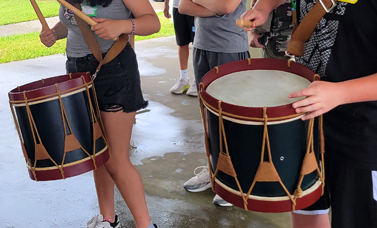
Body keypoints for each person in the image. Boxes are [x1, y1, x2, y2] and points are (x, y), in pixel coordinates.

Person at [241, 0, 377, 228]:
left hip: (363, 131)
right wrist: (263, 8)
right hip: (305, 120)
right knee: (307, 211)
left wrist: (340, 93)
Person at [39, 0, 160, 228]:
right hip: (77, 72)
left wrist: (122, 25)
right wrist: (55, 33)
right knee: (98, 153)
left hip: (114, 69)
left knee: (115, 160)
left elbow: (152, 23)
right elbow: (74, 21)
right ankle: (107, 219)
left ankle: (146, 226)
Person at [179, 0, 250, 206]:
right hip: (202, 45)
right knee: (209, 115)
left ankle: (234, 179)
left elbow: (227, 7)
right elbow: (183, 7)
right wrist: (215, 7)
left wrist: (207, 5)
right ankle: (214, 169)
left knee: (231, 117)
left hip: (229, 48)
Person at [164, 0, 197, 96]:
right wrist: (166, 3)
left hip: (195, 6)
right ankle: (183, 79)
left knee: (197, 44)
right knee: (182, 43)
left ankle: (198, 80)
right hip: (177, 6)